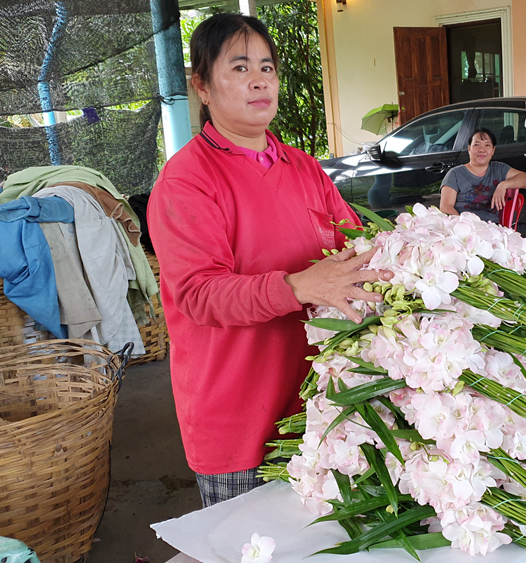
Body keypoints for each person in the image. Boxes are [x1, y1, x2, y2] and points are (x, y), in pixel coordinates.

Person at [147, 13, 391, 507]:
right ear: (203, 87)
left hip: (319, 408)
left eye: (267, 67)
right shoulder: (186, 181)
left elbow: (355, 245)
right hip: (238, 422)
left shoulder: (302, 167)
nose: (259, 80)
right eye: (239, 68)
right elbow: (198, 293)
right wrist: (299, 286)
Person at [438, 128, 526, 224]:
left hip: (491, 229)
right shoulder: (455, 174)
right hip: (462, 227)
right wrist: (465, 227)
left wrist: (503, 185)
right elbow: (446, 207)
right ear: (469, 149)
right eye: (476, 145)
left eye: (487, 145)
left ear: (493, 150)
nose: (482, 150)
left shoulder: (499, 169)